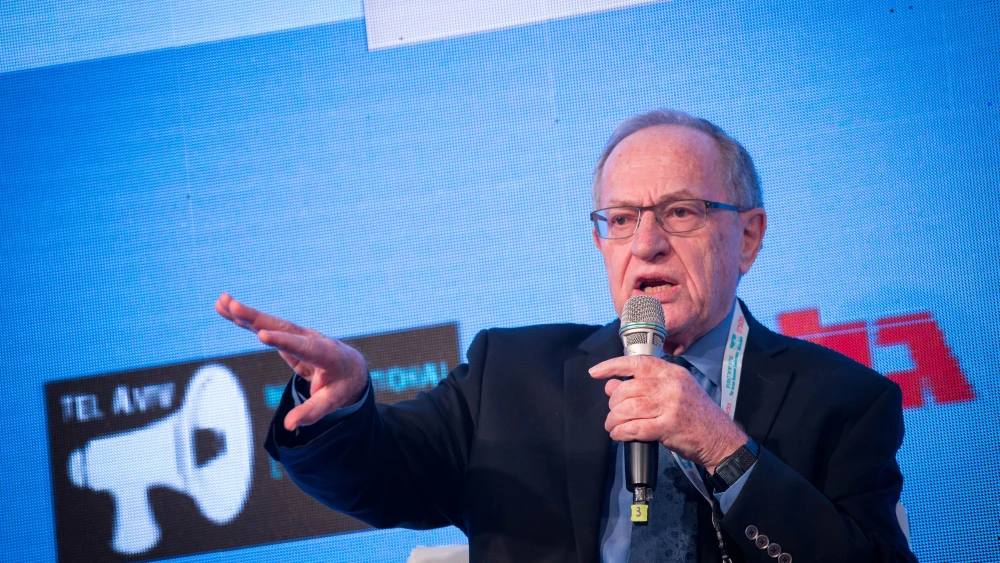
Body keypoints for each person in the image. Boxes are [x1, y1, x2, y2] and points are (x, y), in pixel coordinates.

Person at [216, 109, 916, 562]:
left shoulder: (845, 401)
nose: (646, 244)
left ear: (749, 236)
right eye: (620, 218)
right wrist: (342, 405)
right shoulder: (510, 374)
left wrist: (723, 448)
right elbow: (385, 476)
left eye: (678, 212)